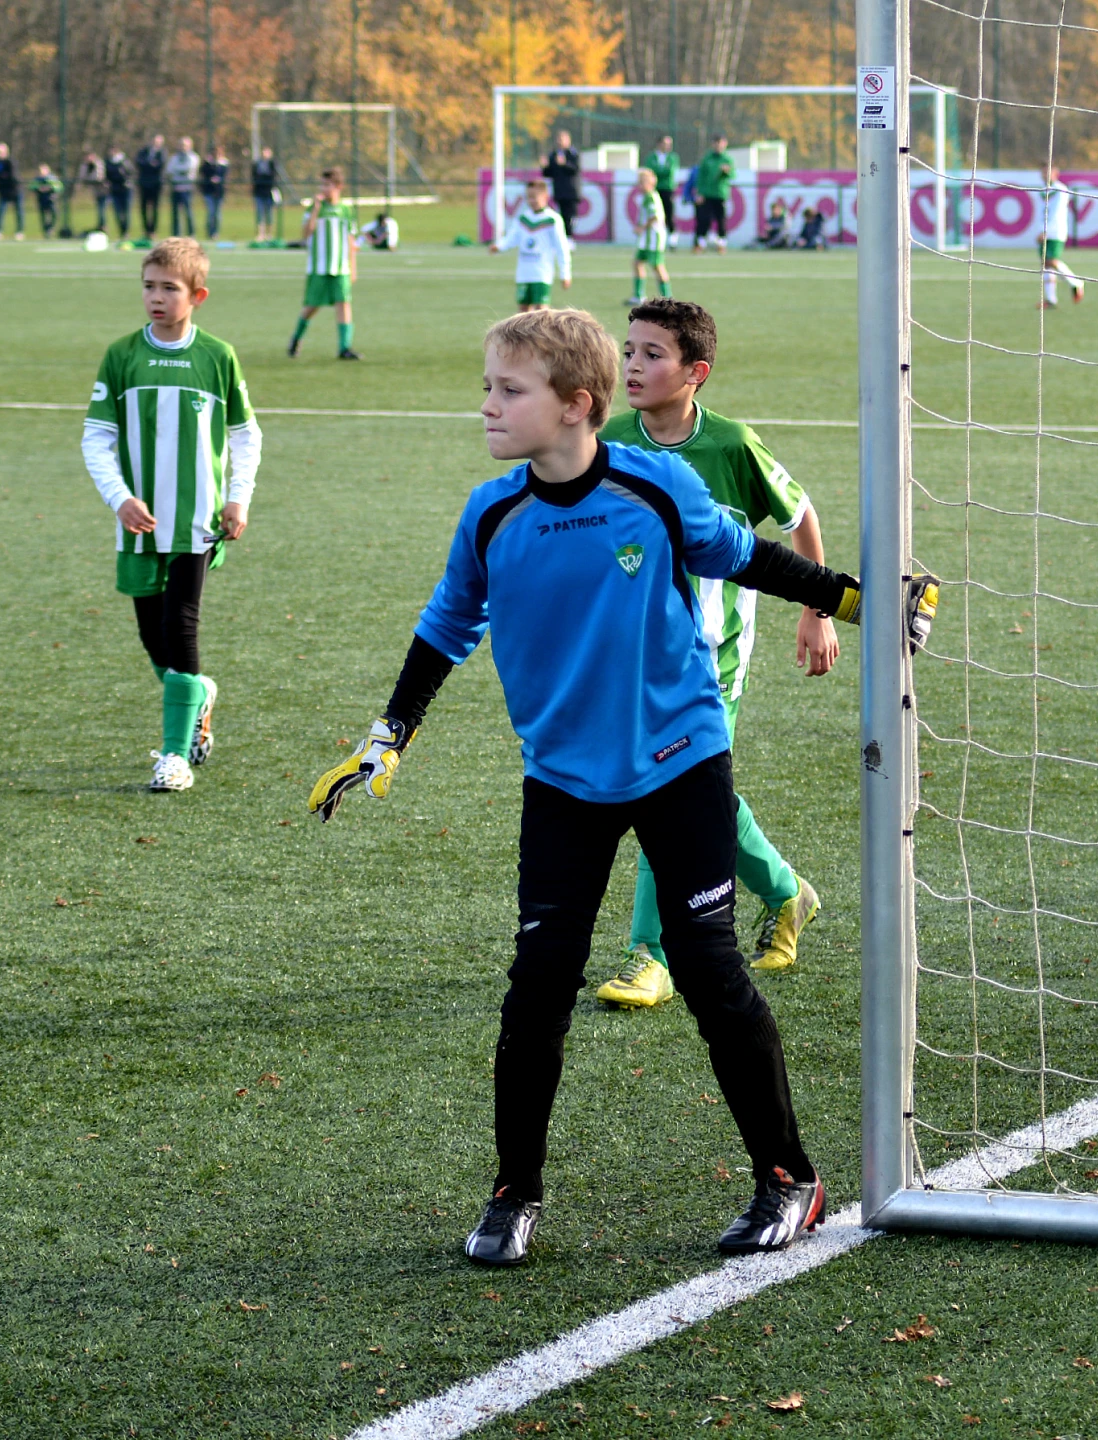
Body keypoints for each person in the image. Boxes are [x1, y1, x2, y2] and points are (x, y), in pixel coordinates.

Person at [306, 306, 933, 1266]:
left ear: (575, 406)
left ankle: (788, 1178)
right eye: (488, 385)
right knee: (537, 987)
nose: (487, 405)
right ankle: (515, 1193)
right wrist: (389, 735)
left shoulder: (654, 484)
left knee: (710, 967)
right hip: (561, 778)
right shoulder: (492, 513)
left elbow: (746, 557)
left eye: (508, 391)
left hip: (680, 758)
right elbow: (444, 628)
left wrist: (864, 600)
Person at [591, 298, 835, 1012]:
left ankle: (651, 955)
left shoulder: (730, 446)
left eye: (652, 355)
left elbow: (798, 516)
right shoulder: (609, 444)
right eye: (628, 351)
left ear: (695, 372)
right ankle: (786, 892)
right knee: (687, 794)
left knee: (661, 790)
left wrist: (816, 611)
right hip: (635, 657)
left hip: (712, 659)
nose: (633, 365)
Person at [79, 237, 262, 793]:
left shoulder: (216, 356)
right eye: (149, 286)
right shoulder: (121, 355)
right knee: (153, 640)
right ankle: (199, 695)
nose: (156, 298)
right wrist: (119, 498)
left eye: (169, 289)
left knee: (181, 629)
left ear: (197, 295)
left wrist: (238, 498)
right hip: (138, 524)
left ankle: (175, 756)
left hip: (197, 523)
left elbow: (245, 434)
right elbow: (95, 438)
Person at [288, 169, 360, 360]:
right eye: (321, 185)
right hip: (319, 266)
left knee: (344, 303)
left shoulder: (346, 209)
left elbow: (351, 240)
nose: (323, 189)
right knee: (312, 306)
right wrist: (316, 209)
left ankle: (344, 348)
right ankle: (296, 338)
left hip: (341, 266)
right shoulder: (314, 208)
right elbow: (306, 233)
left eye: (327, 185)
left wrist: (353, 267)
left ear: (338, 187)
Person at [494, 177, 572, 312]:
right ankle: (523, 335)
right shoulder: (523, 218)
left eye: (534, 197)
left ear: (546, 197)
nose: (531, 201)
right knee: (523, 311)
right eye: (529, 197)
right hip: (524, 273)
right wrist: (500, 246)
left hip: (542, 273)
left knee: (541, 311)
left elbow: (562, 247)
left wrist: (565, 273)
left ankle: (542, 335)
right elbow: (512, 237)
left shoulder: (552, 219)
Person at [1039, 164, 1084, 306]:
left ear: (1055, 173)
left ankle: (1076, 282)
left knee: (1052, 261)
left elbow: (1056, 212)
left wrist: (1046, 230)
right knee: (1046, 264)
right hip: (1045, 230)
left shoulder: (1060, 190)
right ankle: (1050, 299)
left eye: (1048, 172)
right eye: (1043, 172)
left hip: (1055, 231)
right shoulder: (1044, 190)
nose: (1045, 174)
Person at [627, 166, 672, 304]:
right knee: (637, 263)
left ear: (649, 182)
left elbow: (655, 216)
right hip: (646, 241)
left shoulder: (652, 196)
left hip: (653, 239)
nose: (639, 185)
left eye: (641, 182)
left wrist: (641, 227)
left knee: (658, 266)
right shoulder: (647, 196)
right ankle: (638, 296)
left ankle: (668, 298)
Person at [694, 135, 735, 253]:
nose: (718, 146)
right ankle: (700, 244)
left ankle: (721, 244)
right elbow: (701, 177)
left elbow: (732, 176)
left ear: (724, 144)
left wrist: (726, 172)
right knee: (704, 219)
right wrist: (699, 192)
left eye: (720, 143)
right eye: (716, 143)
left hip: (720, 194)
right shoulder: (707, 158)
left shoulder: (727, 159)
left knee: (721, 220)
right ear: (713, 144)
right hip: (707, 194)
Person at [542, 128, 583, 238]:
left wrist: (564, 164)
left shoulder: (573, 154)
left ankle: (570, 237)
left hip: (571, 191)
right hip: (559, 191)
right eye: (558, 139)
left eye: (562, 139)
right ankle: (564, 237)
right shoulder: (553, 155)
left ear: (568, 140)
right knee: (560, 216)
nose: (560, 141)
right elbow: (548, 174)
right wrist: (545, 166)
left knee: (570, 216)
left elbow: (576, 169)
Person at [644, 135, 680, 246]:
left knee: (668, 214)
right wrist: (660, 172)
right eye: (665, 143)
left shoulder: (673, 157)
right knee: (653, 214)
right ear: (659, 144)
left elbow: (670, 172)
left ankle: (672, 239)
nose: (668, 146)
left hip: (667, 189)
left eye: (669, 144)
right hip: (654, 190)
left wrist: (658, 172)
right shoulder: (651, 157)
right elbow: (650, 172)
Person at [136, 133, 169, 242]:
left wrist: (150, 165)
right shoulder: (143, 151)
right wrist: (150, 164)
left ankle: (153, 230)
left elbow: (160, 165)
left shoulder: (162, 152)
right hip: (144, 183)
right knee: (143, 208)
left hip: (156, 184)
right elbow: (139, 163)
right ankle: (146, 230)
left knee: (155, 208)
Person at [0, 142, 24, 240]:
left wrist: (1, 177)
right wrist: (0, 177)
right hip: (2, 191)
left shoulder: (11, 162)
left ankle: (19, 232)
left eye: (1, 152)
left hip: (15, 190)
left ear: (6, 152)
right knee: (0, 212)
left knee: (19, 212)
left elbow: (12, 176)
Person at [168, 137, 201, 238]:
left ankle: (191, 234)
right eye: (181, 145)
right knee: (175, 213)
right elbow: (169, 170)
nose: (183, 147)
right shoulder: (174, 158)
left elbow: (188, 169)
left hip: (187, 188)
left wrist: (179, 171)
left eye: (185, 145)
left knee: (189, 212)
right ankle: (176, 235)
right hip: (176, 187)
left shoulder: (193, 157)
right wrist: (179, 171)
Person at [106, 147, 136, 246]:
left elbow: (131, 173)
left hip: (126, 190)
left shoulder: (124, 161)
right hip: (115, 190)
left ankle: (126, 231)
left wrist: (126, 181)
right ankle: (121, 231)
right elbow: (108, 176)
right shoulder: (109, 163)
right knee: (118, 212)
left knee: (126, 211)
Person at [251, 147, 281, 243]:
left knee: (269, 213)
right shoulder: (257, 163)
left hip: (269, 192)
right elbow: (254, 176)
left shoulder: (272, 164)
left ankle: (269, 234)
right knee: (259, 213)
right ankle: (260, 234)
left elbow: (273, 175)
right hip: (259, 192)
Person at [201, 145, 230, 240]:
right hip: (209, 191)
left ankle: (215, 233)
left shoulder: (224, 163)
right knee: (210, 213)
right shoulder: (208, 163)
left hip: (219, 192)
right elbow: (203, 172)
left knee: (218, 214)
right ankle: (209, 232)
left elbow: (224, 175)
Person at [75, 151, 106, 235]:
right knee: (100, 209)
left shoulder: (98, 164)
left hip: (104, 191)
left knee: (102, 210)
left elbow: (98, 177)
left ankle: (103, 227)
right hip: (96, 192)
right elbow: (82, 177)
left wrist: (88, 178)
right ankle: (101, 227)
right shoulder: (85, 166)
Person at [35, 164, 63, 239]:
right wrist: (38, 188)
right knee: (43, 216)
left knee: (54, 214)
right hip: (41, 199)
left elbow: (59, 186)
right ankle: (46, 230)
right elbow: (32, 186)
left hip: (51, 199)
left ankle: (51, 228)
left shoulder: (52, 178)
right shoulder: (38, 179)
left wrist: (49, 187)